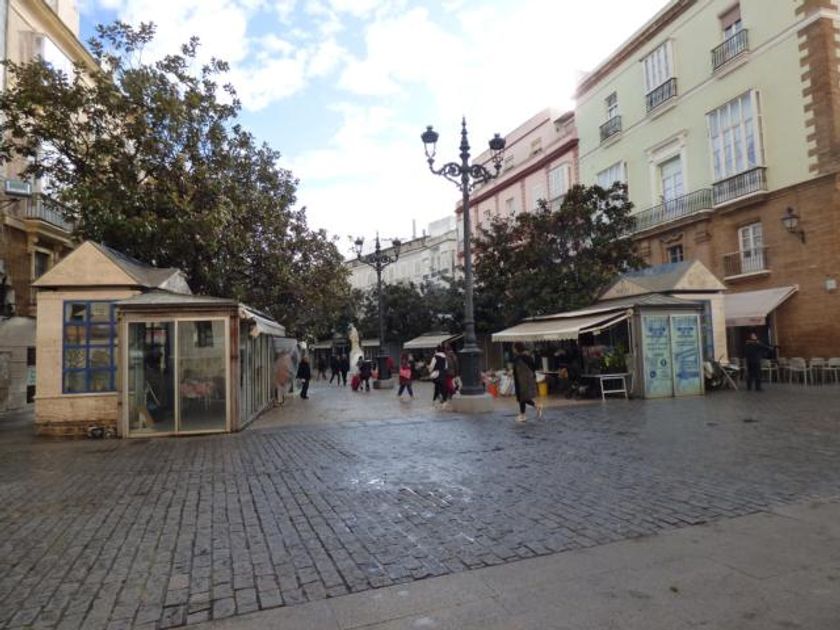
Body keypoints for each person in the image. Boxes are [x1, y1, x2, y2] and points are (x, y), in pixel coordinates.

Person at [513, 341, 542, 423]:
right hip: (528, 380)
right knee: (524, 398)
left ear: (517, 349)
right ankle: (536, 406)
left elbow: (516, 371)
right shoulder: (528, 357)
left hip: (520, 380)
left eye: (514, 348)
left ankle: (523, 415)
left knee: (522, 398)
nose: (513, 349)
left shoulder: (518, 358)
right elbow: (534, 367)